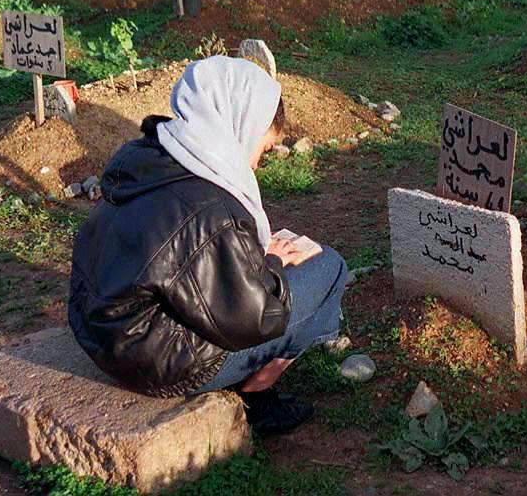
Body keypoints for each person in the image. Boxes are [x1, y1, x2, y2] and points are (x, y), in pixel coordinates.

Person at [69, 57, 348, 434]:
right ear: (242, 127)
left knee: (290, 273)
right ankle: (259, 397)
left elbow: (184, 264)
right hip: (159, 365)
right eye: (261, 149)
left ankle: (271, 375)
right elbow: (259, 317)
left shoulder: (150, 157)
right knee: (329, 268)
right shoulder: (211, 206)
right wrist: (275, 266)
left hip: (102, 335)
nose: (255, 163)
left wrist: (258, 258)